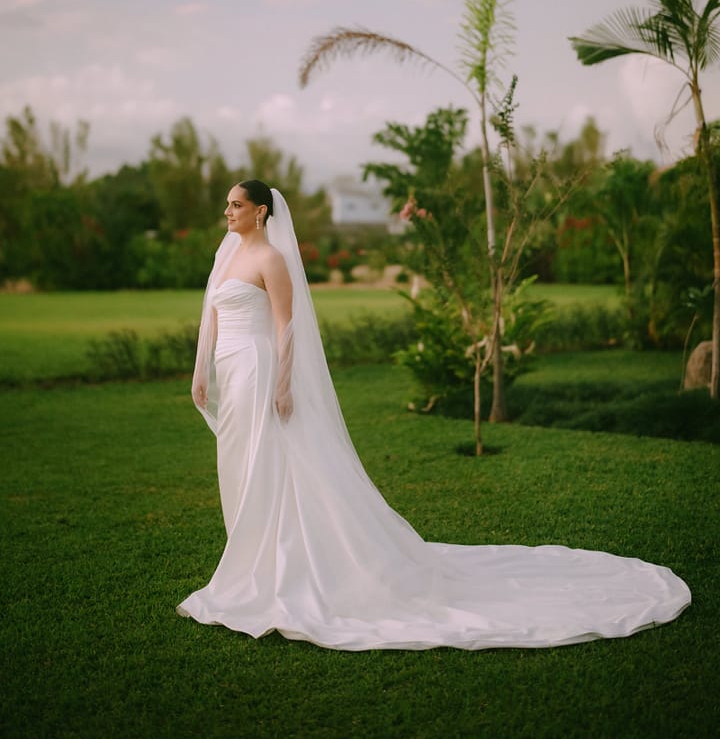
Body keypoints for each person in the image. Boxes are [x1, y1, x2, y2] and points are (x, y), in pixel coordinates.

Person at [177, 181, 690, 651]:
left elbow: (287, 327)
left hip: (261, 371)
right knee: (239, 462)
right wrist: (202, 372)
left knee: (272, 463)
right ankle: (252, 561)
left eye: (236, 204)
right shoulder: (227, 257)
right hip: (230, 369)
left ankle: (276, 568)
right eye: (227, 204)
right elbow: (213, 317)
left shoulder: (270, 259)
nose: (227, 211)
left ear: (260, 211)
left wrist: (285, 385)